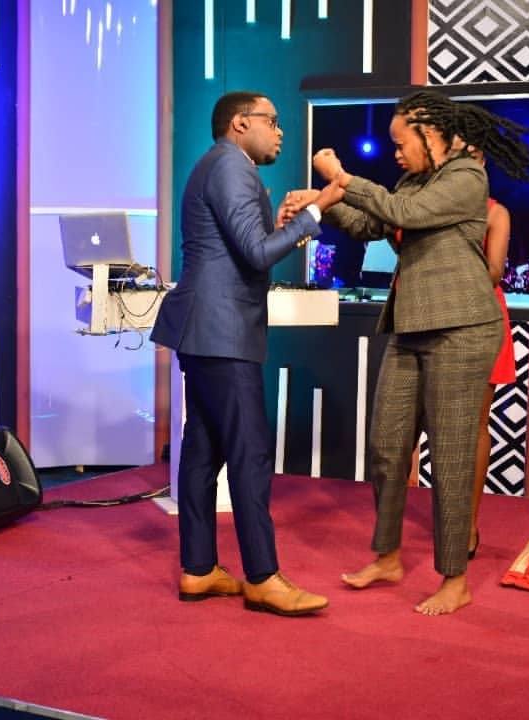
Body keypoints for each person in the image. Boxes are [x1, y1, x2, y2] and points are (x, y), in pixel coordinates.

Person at [292, 90, 529, 616]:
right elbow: (373, 223)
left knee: (450, 456)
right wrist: (323, 203)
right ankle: (387, 558)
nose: (396, 153)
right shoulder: (411, 181)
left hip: (462, 329)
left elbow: (408, 213)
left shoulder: (466, 176)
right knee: (387, 446)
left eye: (402, 143)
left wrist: (342, 178)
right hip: (411, 325)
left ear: (431, 134)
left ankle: (455, 579)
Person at [149, 90, 343, 617]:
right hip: (222, 331)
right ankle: (262, 577)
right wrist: (319, 208)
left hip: (208, 329)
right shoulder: (232, 167)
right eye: (272, 121)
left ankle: (198, 568)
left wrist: (283, 226)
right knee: (250, 453)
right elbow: (256, 255)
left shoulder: (221, 165)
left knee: (204, 449)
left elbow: (244, 249)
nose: (280, 132)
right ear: (240, 124)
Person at [468, 162, 516, 560]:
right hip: (431, 317)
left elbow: (495, 272)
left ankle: (466, 526)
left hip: (481, 318)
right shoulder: (428, 201)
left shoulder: (495, 212)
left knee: (475, 426)